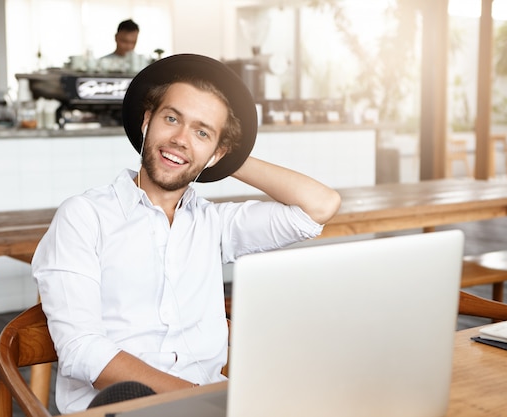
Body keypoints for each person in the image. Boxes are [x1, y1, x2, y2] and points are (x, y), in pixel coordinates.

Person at [32, 54, 342, 414]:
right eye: (171, 119)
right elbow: (83, 350)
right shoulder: (84, 217)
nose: (180, 139)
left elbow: (318, 207)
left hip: (210, 404)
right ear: (147, 121)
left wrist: (222, 156)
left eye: (201, 131)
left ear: (217, 154)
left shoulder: (214, 224)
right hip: (124, 407)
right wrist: (197, 401)